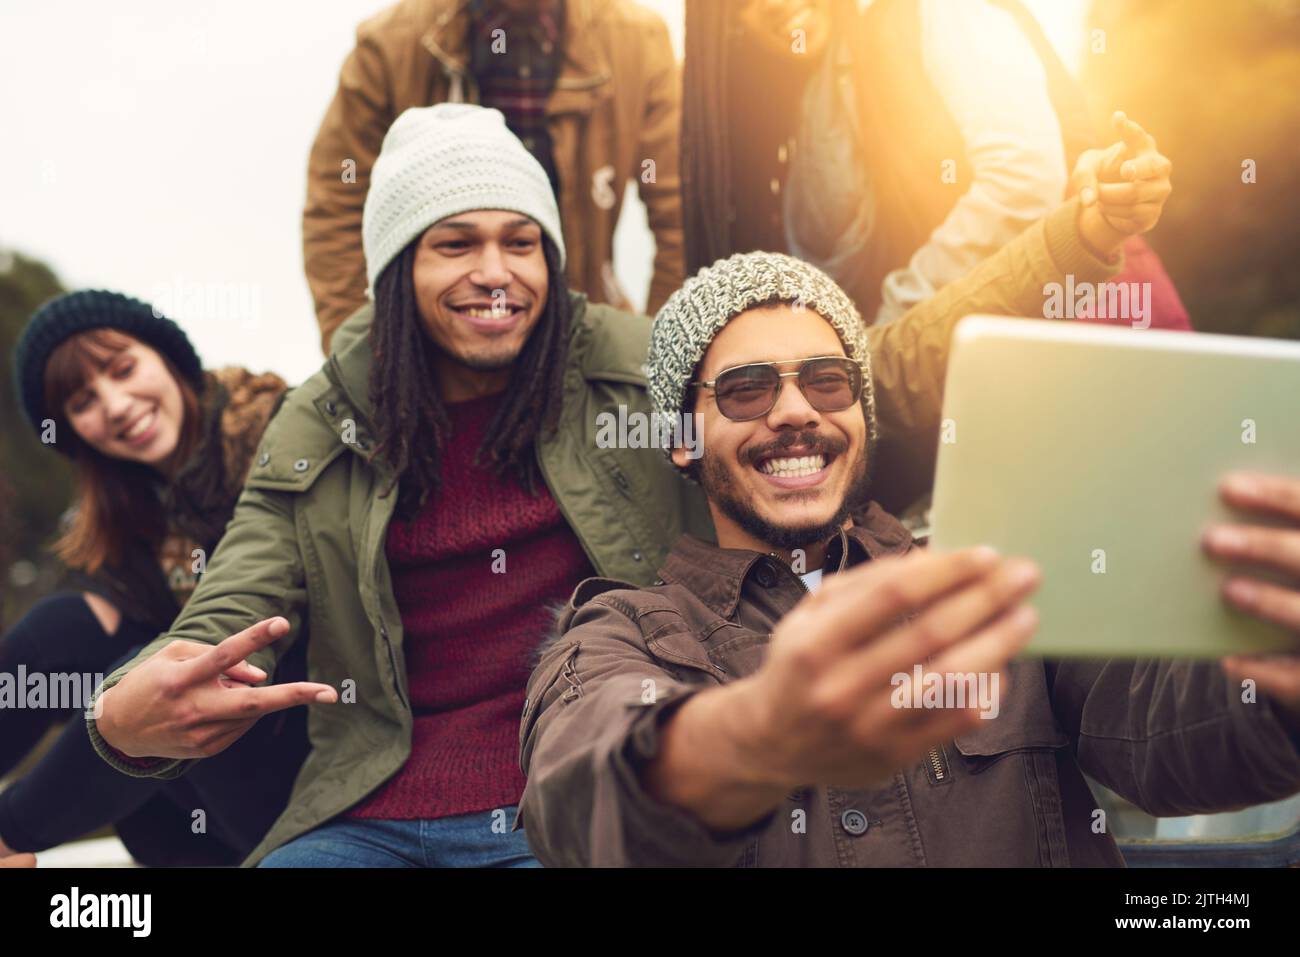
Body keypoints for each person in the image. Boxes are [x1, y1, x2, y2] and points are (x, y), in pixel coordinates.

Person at [90, 102, 1150, 868]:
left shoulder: (633, 365)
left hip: (576, 789)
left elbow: (891, 362)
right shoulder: (325, 419)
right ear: (396, 273)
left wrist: (1074, 236)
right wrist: (123, 716)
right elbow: (233, 598)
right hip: (370, 809)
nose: (494, 273)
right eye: (453, 245)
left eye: (521, 242)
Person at [515, 251, 1300, 867]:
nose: (796, 412)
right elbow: (576, 800)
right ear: (682, 438)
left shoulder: (992, 579)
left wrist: (1282, 677)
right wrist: (759, 734)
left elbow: (1174, 731)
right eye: (748, 391)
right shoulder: (621, 630)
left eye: (828, 381)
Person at [0, 290, 309, 866]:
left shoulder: (280, 434)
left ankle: (9, 833)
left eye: (123, 369)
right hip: (214, 788)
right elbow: (74, 637)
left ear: (167, 358)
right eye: (83, 401)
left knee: (158, 669)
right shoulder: (130, 511)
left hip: (321, 740)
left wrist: (17, 829)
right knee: (67, 627)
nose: (116, 406)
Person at [683, 0, 1189, 331]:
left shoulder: (935, 11)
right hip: (1009, 327)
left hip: (1077, 313)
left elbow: (1022, 179)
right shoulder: (830, 75)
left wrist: (894, 320)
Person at [304, 0, 685, 352]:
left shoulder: (638, 42)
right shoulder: (390, 46)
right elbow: (337, 209)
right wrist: (371, 363)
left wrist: (659, 363)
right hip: (435, 352)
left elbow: (680, 216)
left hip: (581, 340)